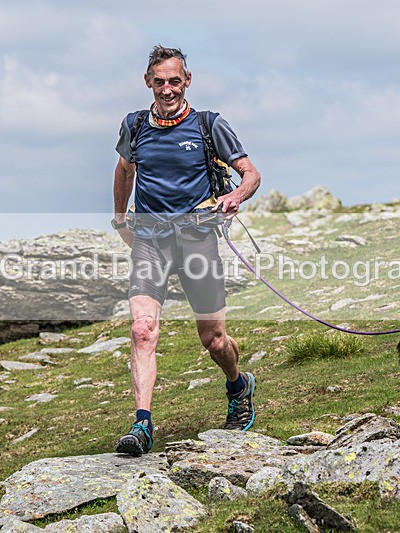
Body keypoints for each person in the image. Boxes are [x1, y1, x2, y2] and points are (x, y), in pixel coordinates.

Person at [111, 45, 262, 455]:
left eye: (174, 81)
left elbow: (250, 173)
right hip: (151, 240)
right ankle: (142, 424)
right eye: (158, 81)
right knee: (142, 330)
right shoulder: (135, 125)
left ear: (187, 81)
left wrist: (235, 197)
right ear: (147, 82)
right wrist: (120, 218)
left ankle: (237, 383)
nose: (166, 89)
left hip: (197, 238)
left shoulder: (208, 125)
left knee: (214, 341)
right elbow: (125, 169)